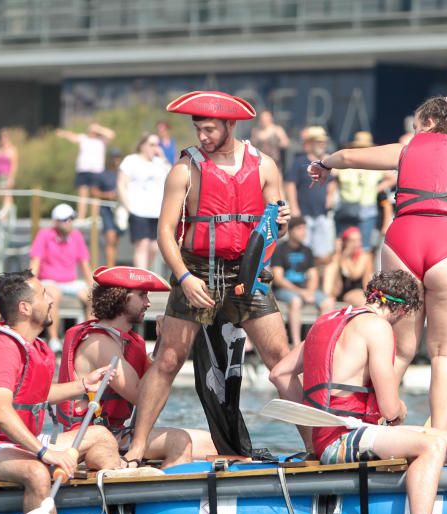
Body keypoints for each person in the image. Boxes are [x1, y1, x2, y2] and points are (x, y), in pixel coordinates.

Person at [126, 90, 301, 463]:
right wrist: (185, 278)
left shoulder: (265, 166)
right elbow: (165, 233)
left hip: (248, 272)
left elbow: (276, 229)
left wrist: (282, 226)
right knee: (169, 359)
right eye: (198, 129)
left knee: (280, 359)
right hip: (198, 272)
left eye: (208, 129)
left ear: (229, 125)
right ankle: (137, 447)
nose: (202, 136)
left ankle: (319, 445)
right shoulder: (184, 170)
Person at [308, 95, 447, 429]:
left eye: (416, 124)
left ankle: (374, 427)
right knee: (444, 355)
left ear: (427, 122)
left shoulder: (407, 148)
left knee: (398, 351)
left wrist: (324, 164)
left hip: (404, 243)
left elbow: (349, 157)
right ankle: (439, 437)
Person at [269, 270, 447, 514]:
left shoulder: (325, 321)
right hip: (346, 439)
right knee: (433, 446)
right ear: (402, 308)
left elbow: (279, 374)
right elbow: (390, 409)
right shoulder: (378, 327)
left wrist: (311, 436)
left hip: (333, 439)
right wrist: (400, 410)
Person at [0, 270, 121, 514]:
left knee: (102, 437)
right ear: (25, 308)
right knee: (37, 472)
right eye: (43, 294)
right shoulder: (2, 349)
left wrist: (84, 384)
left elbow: (35, 395)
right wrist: (45, 453)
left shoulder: (33, 346)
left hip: (19, 442)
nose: (51, 299)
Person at [56, 265, 217, 468]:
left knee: (212, 445)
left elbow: (152, 383)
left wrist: (161, 342)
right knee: (179, 440)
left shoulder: (131, 341)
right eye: (142, 295)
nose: (148, 303)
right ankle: (160, 495)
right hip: (89, 437)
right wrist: (170, 343)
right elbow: (142, 397)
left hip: (117, 433)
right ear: (121, 297)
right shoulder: (99, 343)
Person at [29, 203, 93, 351]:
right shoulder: (44, 235)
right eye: (65, 219)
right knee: (54, 294)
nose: (69, 222)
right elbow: (35, 263)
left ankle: (88, 335)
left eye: (71, 219)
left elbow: (85, 265)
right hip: (49, 281)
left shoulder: (76, 236)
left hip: (71, 282)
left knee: (93, 296)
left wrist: (93, 285)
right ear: (56, 221)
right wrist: (31, 284)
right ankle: (54, 339)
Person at [272, 217, 335, 346]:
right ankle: (296, 342)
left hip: (304, 290)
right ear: (291, 231)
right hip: (285, 290)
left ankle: (319, 340)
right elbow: (278, 278)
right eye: (300, 228)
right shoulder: (280, 249)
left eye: (305, 228)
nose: (304, 232)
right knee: (296, 302)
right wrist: (301, 292)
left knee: (328, 301)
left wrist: (310, 292)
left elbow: (313, 275)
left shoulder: (307, 250)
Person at [118, 133, 170, 270]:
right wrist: (127, 206)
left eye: (157, 144)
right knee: (142, 244)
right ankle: (141, 279)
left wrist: (163, 158)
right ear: (142, 145)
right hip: (138, 209)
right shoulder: (131, 160)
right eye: (152, 144)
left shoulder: (159, 163)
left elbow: (172, 178)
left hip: (156, 211)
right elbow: (121, 184)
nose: (155, 148)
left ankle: (145, 273)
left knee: (154, 247)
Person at [286, 126, 336, 265]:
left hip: (322, 213)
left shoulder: (327, 162)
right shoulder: (300, 161)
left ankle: (317, 282)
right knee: (303, 249)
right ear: (310, 143)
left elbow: (332, 182)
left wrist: (330, 197)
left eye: (323, 142)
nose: (322, 145)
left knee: (323, 253)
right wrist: (294, 207)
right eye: (318, 142)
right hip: (304, 212)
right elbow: (290, 184)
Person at [333, 131, 388, 251]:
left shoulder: (376, 166)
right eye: (359, 148)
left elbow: (391, 178)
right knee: (342, 244)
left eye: (365, 148)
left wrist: (378, 188)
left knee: (364, 247)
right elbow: (333, 178)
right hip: (346, 210)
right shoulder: (344, 165)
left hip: (367, 211)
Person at [56, 122, 116, 224]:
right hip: (83, 170)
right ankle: (81, 217)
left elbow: (112, 134)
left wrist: (99, 129)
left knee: (95, 195)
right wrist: (63, 133)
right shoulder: (83, 138)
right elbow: (72, 137)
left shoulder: (101, 140)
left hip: (96, 171)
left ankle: (94, 217)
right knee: (82, 195)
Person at [324, 226, 374, 307]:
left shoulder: (365, 257)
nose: (357, 244)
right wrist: (342, 257)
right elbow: (329, 289)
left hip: (359, 292)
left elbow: (363, 280)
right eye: (353, 241)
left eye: (359, 240)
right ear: (345, 242)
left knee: (364, 299)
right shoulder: (337, 258)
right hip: (342, 293)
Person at [94, 148, 123, 266]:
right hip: (107, 209)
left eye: (118, 157)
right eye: (114, 157)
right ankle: (110, 268)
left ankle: (112, 265)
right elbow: (94, 191)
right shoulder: (103, 174)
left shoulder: (123, 173)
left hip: (121, 210)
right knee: (111, 238)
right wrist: (108, 195)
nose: (116, 160)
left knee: (115, 239)